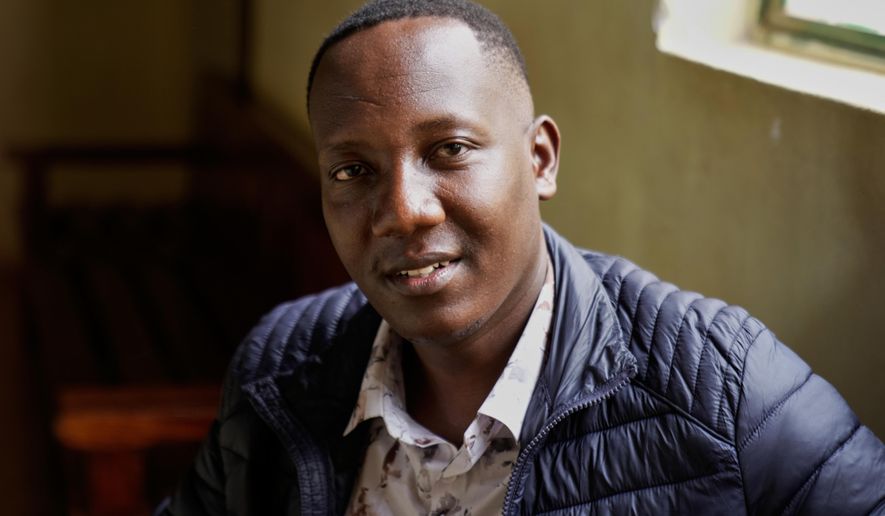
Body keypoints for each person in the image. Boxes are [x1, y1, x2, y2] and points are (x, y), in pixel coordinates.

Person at [164, 0, 885, 514]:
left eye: (449, 149)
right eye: (353, 170)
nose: (404, 210)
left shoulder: (726, 393)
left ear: (539, 159)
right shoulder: (280, 369)